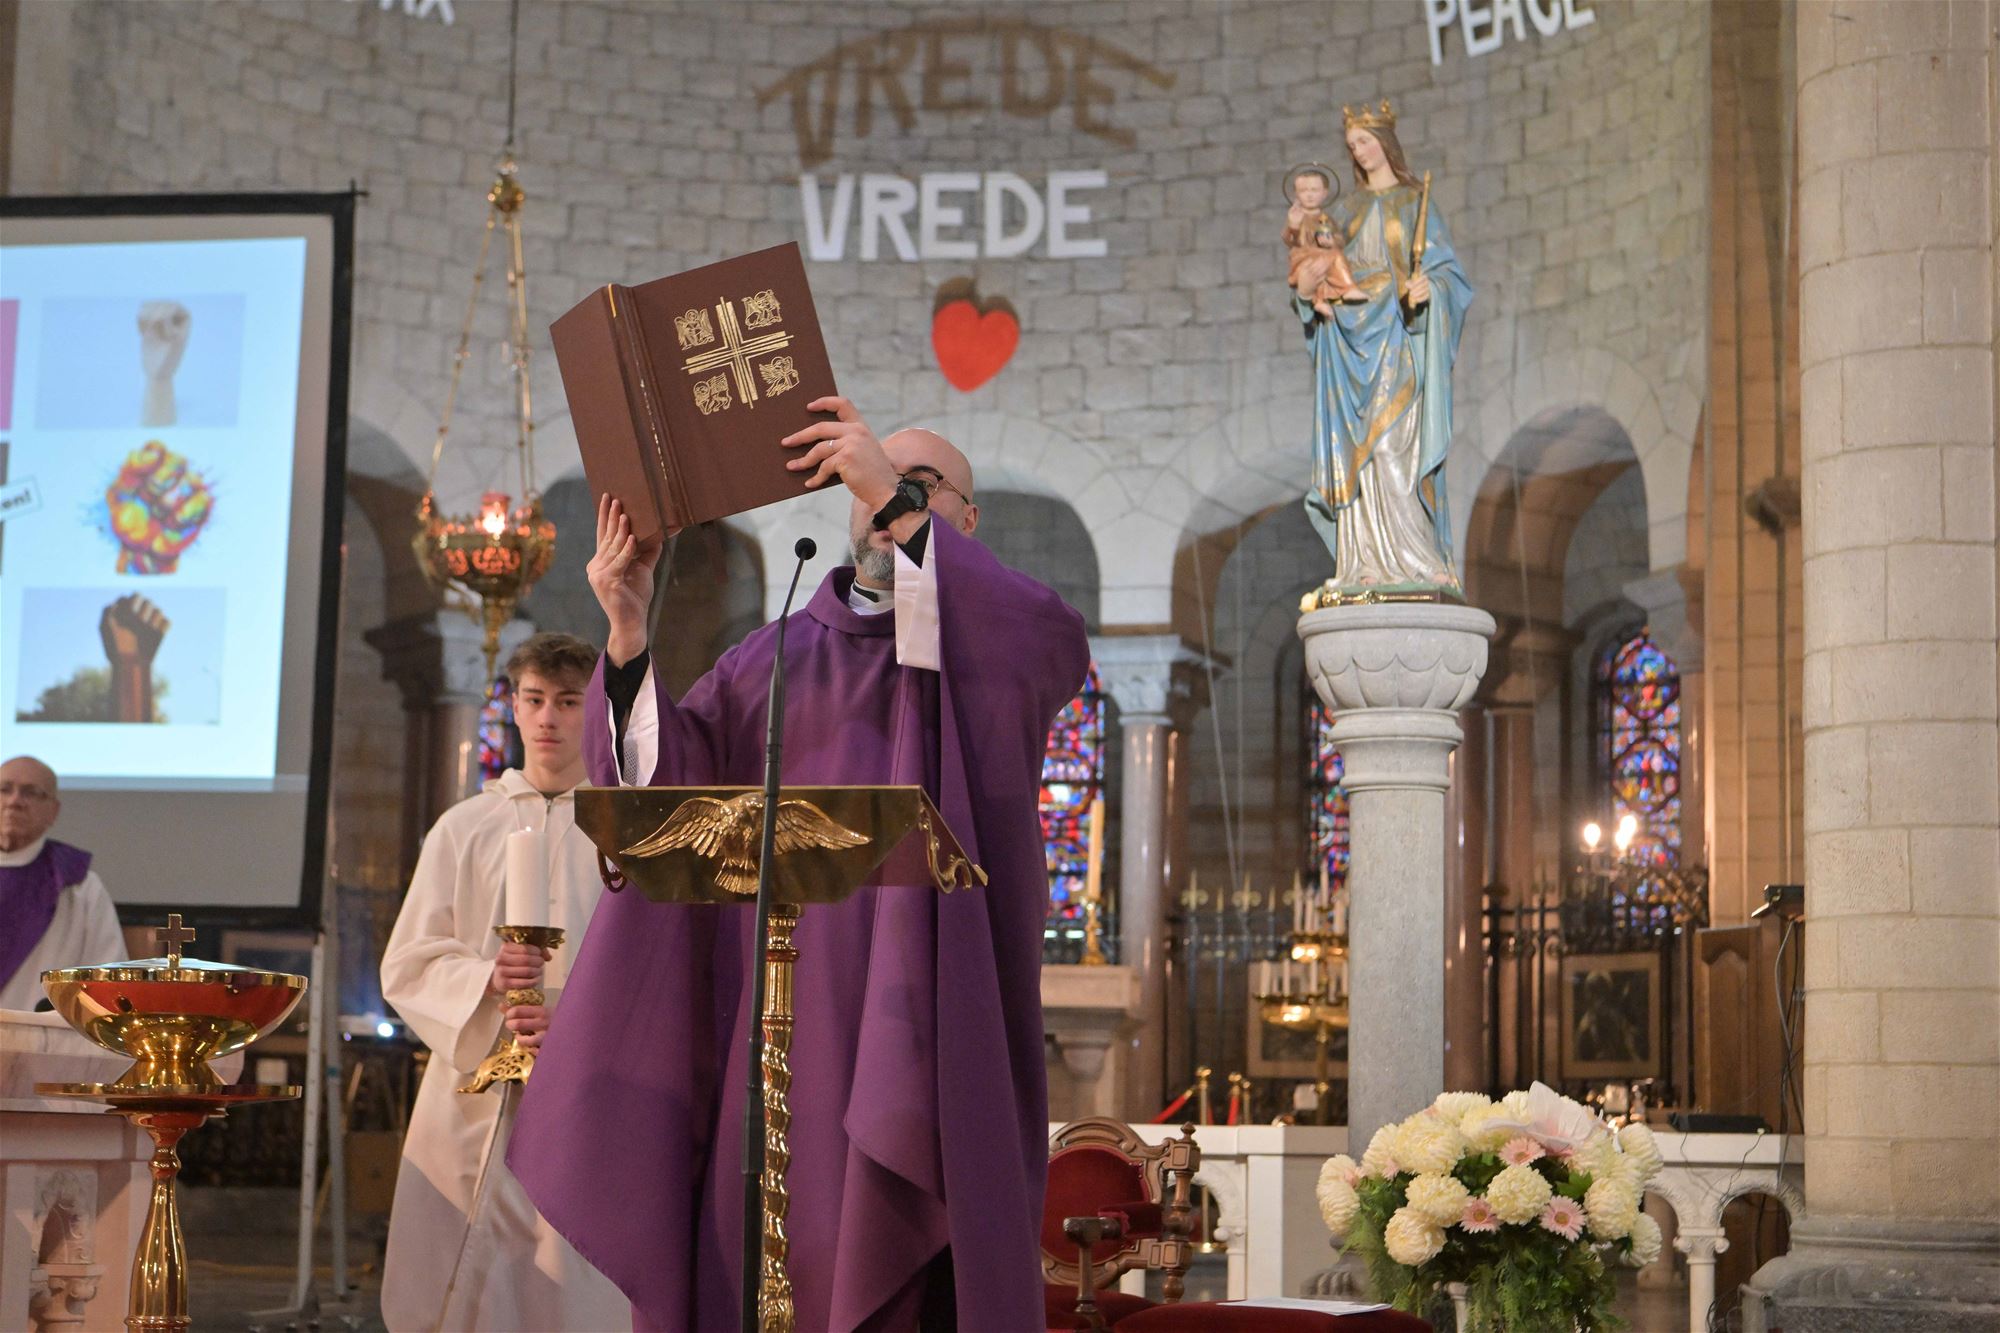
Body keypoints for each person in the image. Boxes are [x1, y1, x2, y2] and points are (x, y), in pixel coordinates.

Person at [511, 397, 1091, 1333]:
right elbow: (662, 796)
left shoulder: (1001, 634)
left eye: (921, 486)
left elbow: (1042, 640)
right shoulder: (768, 660)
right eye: (873, 485)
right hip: (780, 1030)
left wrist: (893, 494)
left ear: (968, 522)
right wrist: (626, 631)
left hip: (933, 1021)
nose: (887, 500)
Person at [378, 632, 629, 1333]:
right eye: (534, 699)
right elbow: (409, 962)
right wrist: (485, 978)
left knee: (567, 1281)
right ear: (513, 707)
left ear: (595, 708)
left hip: (585, 1080)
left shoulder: (620, 832)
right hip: (474, 1082)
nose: (548, 718)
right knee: (456, 1275)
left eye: (569, 701)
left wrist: (571, 1018)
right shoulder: (462, 828)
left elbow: (643, 971)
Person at [1299, 99, 1473, 591]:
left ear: (1385, 144)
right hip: (1349, 344)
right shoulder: (1344, 211)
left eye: (1365, 141)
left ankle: (1417, 558)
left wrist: (1430, 290)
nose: (1359, 151)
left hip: (1396, 338)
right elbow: (1318, 270)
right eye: (1352, 145)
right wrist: (1311, 292)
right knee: (1363, 456)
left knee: (1397, 447)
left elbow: (1450, 278)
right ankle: (1364, 563)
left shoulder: (1417, 203)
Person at [0, 756, 126, 1010]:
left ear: (53, 811)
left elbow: (108, 977)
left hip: (41, 1031)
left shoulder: (78, 885)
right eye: (4, 789)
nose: (14, 801)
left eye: (31, 792)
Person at [1283, 163, 1361, 319]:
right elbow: (1289, 239)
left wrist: (1331, 242)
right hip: (1303, 258)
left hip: (1324, 257)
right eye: (1303, 191)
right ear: (1296, 194)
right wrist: (1293, 226)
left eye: (1314, 190)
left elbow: (1339, 239)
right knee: (1328, 260)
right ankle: (1338, 292)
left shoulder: (1326, 219)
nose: (1309, 195)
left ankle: (1329, 297)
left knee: (1333, 259)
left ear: (1324, 193)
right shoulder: (1297, 216)